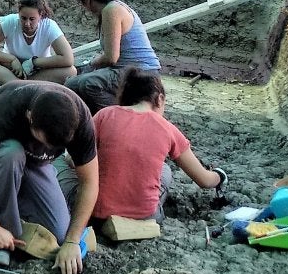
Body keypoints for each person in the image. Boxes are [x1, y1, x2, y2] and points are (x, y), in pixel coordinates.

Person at [0, 81, 99, 274]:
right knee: (12, 153)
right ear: (29, 117)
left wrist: (72, 241)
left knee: (59, 233)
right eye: (43, 141)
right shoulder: (6, 107)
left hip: (36, 163)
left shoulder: (80, 120)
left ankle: (8, 199)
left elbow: (89, 182)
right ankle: (0, 228)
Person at [84, 67, 226, 222]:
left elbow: (74, 160)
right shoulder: (167, 128)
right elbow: (204, 180)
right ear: (159, 99)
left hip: (97, 214)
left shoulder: (105, 114)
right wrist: (219, 176)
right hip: (145, 217)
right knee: (164, 169)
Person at [64, 0, 161, 114]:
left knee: (88, 84)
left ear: (86, 0)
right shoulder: (115, 7)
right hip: (130, 70)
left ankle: (117, 117)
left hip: (141, 73)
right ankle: (92, 119)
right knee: (71, 84)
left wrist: (91, 64)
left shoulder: (111, 10)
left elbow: (111, 58)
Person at [0, 0, 76, 85]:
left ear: (40, 15)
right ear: (18, 13)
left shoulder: (49, 26)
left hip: (38, 71)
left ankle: (20, 85)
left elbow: (68, 58)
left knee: (71, 71)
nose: (27, 24)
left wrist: (33, 62)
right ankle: (18, 84)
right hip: (10, 70)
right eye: (23, 18)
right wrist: (12, 59)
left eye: (32, 19)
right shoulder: (9, 22)